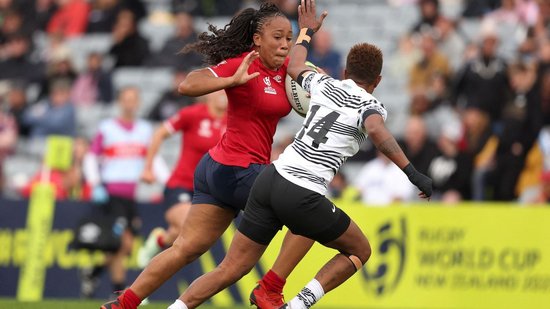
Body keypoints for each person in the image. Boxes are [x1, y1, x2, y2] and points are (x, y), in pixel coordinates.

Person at [165, 1, 432, 309]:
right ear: (378, 82)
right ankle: (292, 301)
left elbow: (293, 65)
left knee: (232, 267)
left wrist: (305, 32)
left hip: (271, 177)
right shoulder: (371, 106)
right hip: (303, 190)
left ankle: (180, 307)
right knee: (359, 250)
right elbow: (377, 131)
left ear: (345, 72)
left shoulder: (323, 83)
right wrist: (413, 173)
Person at [100, 3, 318, 309]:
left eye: (288, 38)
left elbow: (299, 58)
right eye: (277, 37)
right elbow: (187, 84)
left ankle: (123, 305)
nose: (284, 44)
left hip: (223, 170)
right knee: (308, 215)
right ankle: (270, 288)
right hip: (238, 171)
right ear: (257, 39)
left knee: (188, 249)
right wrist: (230, 82)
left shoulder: (284, 69)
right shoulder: (244, 64)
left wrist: (307, 33)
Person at [82, 87, 168, 298]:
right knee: (123, 243)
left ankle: (93, 273)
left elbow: (153, 158)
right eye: (126, 99)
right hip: (112, 193)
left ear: (138, 103)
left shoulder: (144, 130)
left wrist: (168, 182)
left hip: (131, 195)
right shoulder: (107, 128)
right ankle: (118, 291)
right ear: (120, 102)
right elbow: (91, 157)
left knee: (123, 246)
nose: (130, 104)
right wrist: (95, 183)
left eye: (133, 99)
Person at [137, 90, 228, 267]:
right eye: (219, 89)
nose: (223, 94)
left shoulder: (234, 120)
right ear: (209, 93)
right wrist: (148, 168)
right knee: (190, 225)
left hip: (211, 191)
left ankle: (160, 240)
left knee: (188, 234)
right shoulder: (192, 114)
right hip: (182, 184)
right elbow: (159, 134)